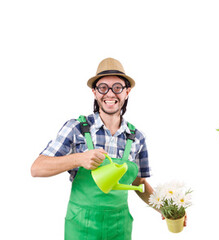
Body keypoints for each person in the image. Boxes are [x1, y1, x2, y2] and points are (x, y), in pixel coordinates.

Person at [31, 58, 162, 239]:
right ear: (94, 92)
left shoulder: (137, 137)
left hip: (119, 227)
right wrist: (78, 159)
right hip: (80, 227)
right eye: (103, 88)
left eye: (117, 87)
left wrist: (166, 208)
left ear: (127, 92)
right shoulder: (76, 128)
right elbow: (37, 168)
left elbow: (138, 184)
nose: (110, 94)